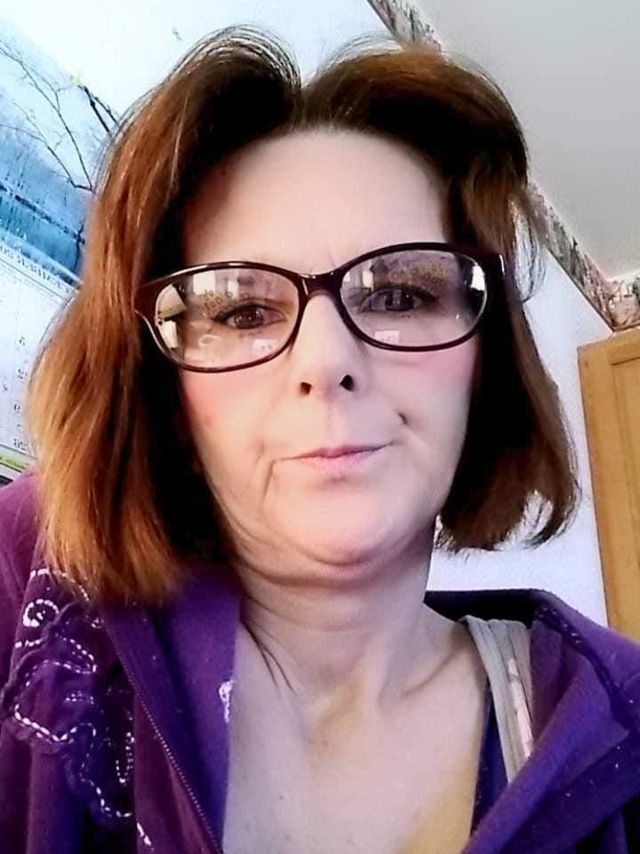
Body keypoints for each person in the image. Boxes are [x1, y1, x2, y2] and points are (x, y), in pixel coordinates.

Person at [1, 25, 639, 854]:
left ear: (484, 366)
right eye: (241, 310)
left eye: (401, 295)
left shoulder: (620, 730)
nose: (327, 361)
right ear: (165, 392)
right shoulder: (31, 588)